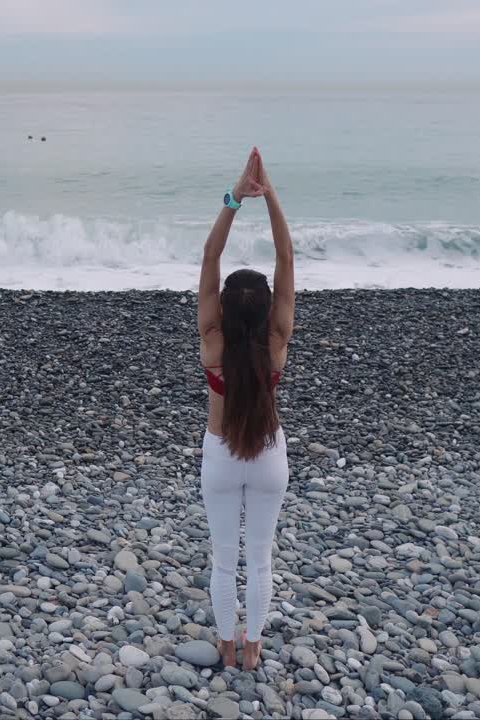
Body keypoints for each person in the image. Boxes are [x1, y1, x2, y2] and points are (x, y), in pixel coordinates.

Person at [196, 147, 294, 670]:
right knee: (260, 558)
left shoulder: (212, 341)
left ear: (224, 308)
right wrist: (271, 195)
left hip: (220, 454)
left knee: (223, 559)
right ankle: (253, 646)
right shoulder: (276, 342)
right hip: (269, 455)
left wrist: (236, 197)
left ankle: (226, 645)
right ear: (267, 307)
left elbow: (211, 259)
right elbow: (286, 260)